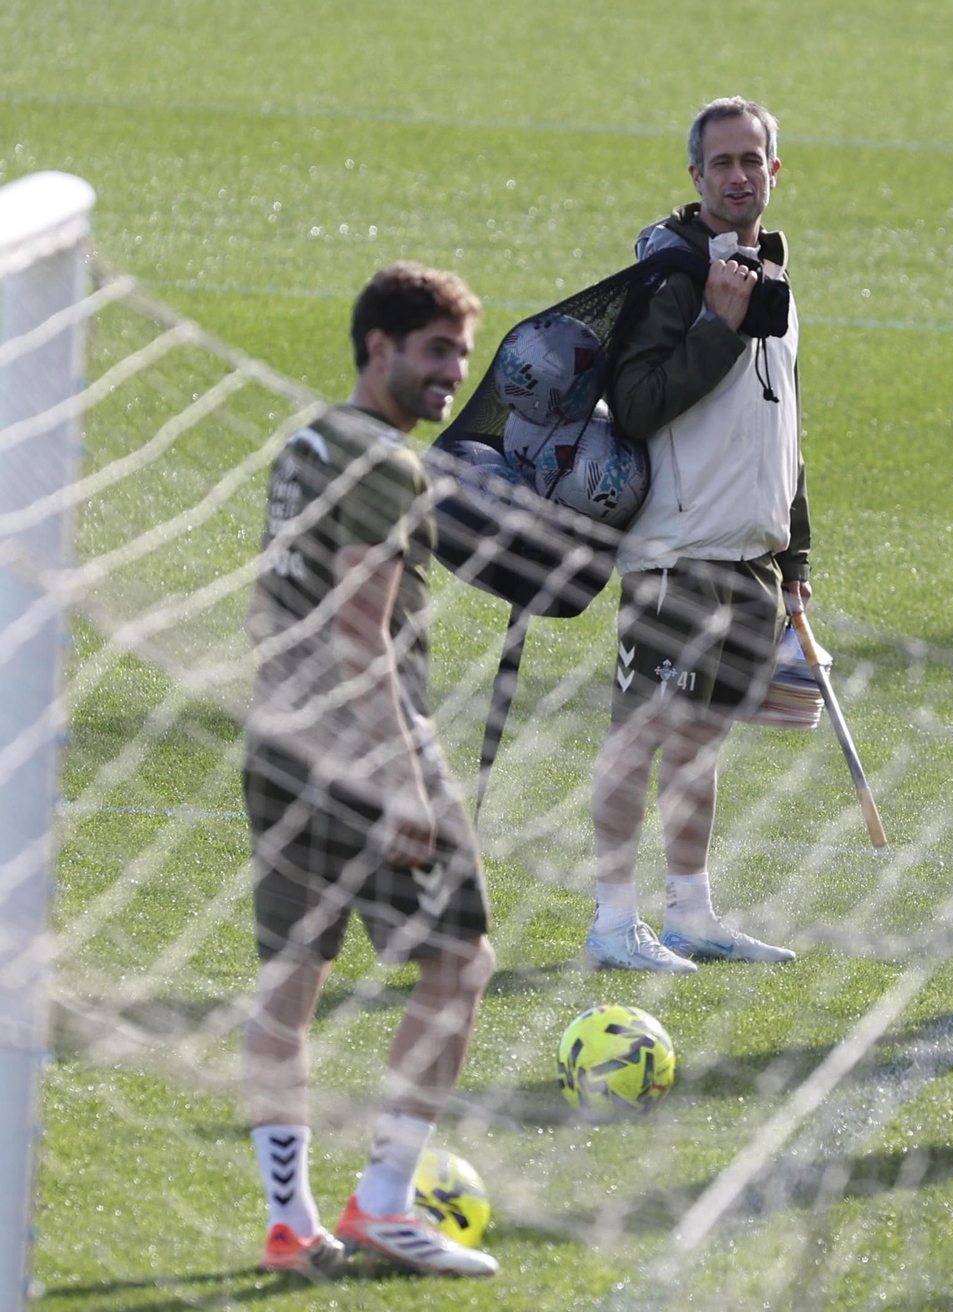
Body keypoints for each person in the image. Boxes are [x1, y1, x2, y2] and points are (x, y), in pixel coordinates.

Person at [242, 263, 499, 1276]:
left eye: (461, 356)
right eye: (436, 350)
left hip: (281, 737)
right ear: (377, 346)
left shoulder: (306, 442)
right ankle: (384, 1202)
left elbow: (268, 608)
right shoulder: (386, 461)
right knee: (461, 962)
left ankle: (287, 1221)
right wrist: (400, 774)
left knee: (290, 984)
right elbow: (363, 630)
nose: (451, 375)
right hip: (365, 742)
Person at [583, 96, 811, 972]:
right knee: (639, 736)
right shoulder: (670, 279)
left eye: (753, 159)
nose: (738, 175)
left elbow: (785, 427)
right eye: (721, 162)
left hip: (748, 557)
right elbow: (636, 406)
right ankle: (612, 923)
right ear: (695, 176)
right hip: (676, 554)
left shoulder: (780, 278)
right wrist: (715, 323)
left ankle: (690, 912)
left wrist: (796, 555)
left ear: (775, 171)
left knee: (701, 742)